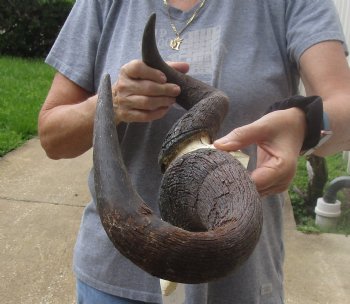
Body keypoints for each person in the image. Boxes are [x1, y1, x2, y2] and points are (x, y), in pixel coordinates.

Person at [38, 0, 350, 303]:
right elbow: (52, 136)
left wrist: (303, 124)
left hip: (241, 283)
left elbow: (344, 111)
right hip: (114, 284)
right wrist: (111, 104)